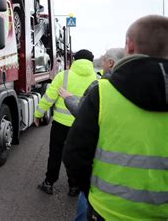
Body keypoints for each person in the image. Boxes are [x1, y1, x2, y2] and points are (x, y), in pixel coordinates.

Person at [63, 15, 168, 220]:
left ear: (129, 45)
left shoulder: (103, 92)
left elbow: (74, 155)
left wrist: (93, 194)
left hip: (108, 211)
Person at [59, 48, 125, 221]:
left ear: (111, 63)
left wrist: (67, 97)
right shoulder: (149, 88)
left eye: (103, 59)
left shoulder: (100, 87)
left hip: (103, 179)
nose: (101, 62)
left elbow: (74, 153)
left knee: (86, 209)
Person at [34, 49, 97, 196]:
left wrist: (38, 114)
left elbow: (49, 97)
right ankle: (74, 186)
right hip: (82, 126)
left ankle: (49, 182)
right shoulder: (96, 78)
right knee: (76, 155)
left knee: (55, 153)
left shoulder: (63, 76)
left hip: (60, 125)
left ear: (75, 60)